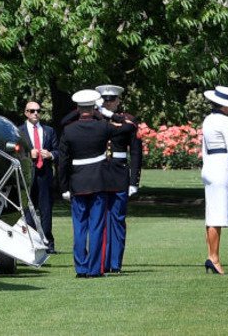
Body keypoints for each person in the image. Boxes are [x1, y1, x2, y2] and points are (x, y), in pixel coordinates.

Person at [57, 90, 136, 278]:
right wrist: (109, 114)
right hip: (98, 183)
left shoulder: (69, 130)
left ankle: (81, 268)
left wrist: (64, 187)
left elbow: (62, 163)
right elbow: (129, 126)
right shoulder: (103, 127)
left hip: (77, 183)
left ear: (77, 109)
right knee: (96, 227)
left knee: (79, 227)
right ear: (94, 108)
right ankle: (94, 269)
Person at [96, 83, 142, 274]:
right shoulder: (95, 118)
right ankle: (101, 262)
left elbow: (137, 153)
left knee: (117, 219)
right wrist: (101, 112)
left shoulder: (128, 122)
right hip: (98, 173)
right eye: (105, 101)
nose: (109, 104)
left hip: (119, 173)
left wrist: (134, 182)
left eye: (112, 100)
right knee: (100, 219)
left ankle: (115, 263)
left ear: (117, 101)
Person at [199, 85, 228, 274]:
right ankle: (214, 258)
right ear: (225, 105)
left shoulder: (208, 119)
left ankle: (212, 255)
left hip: (209, 166)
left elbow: (204, 147)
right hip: (219, 167)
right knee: (217, 216)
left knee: (211, 216)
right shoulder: (226, 121)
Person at [19, 100, 59, 254]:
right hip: (27, 176)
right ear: (26, 113)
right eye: (32, 110)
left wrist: (51, 154)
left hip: (45, 175)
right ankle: (32, 243)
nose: (36, 113)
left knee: (46, 210)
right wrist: (29, 154)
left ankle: (48, 243)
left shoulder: (49, 131)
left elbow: (59, 151)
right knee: (28, 211)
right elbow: (14, 153)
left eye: (38, 111)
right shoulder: (19, 131)